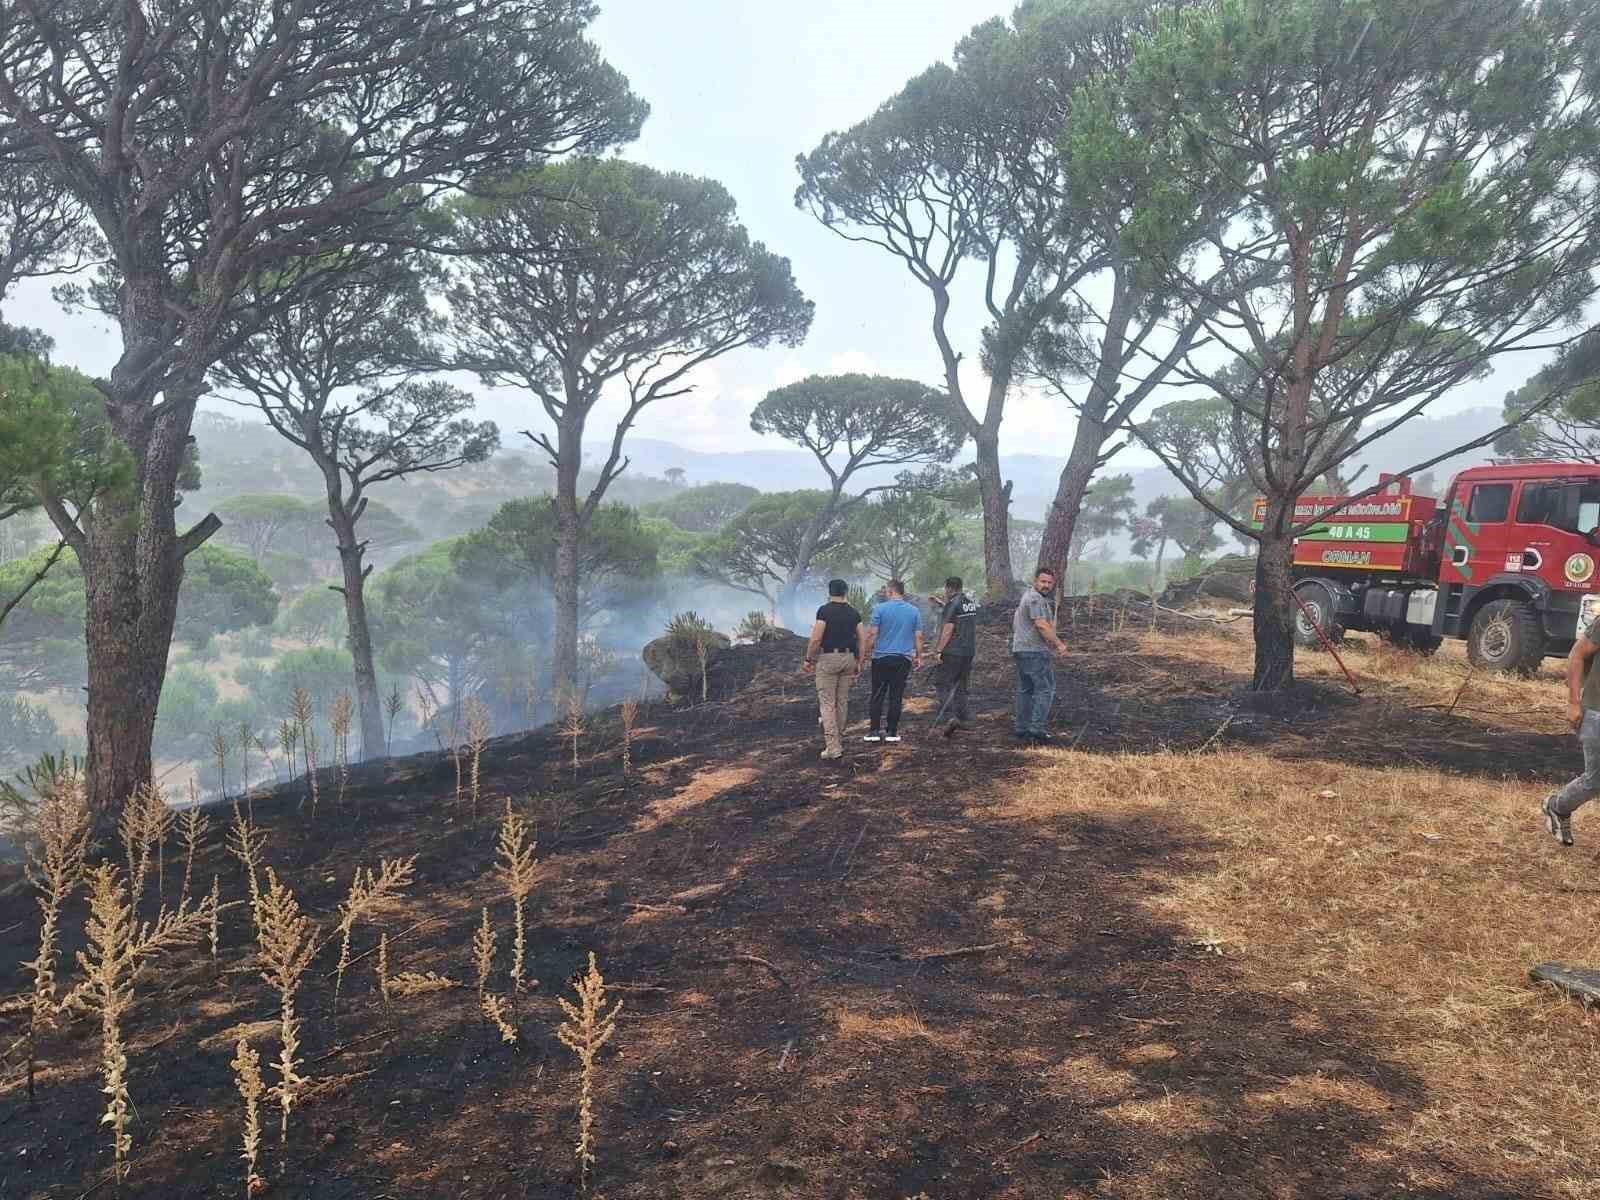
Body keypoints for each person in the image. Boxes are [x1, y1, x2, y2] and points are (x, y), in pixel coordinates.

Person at [1543, 615, 1600, 844]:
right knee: (1595, 781)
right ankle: (1557, 807)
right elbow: (1577, 654)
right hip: (1597, 712)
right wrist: (1573, 702)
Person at [801, 579, 864, 761]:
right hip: (849, 659)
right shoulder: (854, 613)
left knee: (827, 704)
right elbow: (862, 638)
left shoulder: (824, 611)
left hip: (829, 659)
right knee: (842, 702)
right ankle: (839, 742)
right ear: (846, 592)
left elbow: (815, 639)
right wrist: (860, 660)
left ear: (830, 592)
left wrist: (808, 659)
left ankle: (833, 748)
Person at [860, 578, 922, 743]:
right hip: (903, 659)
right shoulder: (914, 611)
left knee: (878, 695)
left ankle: (873, 731)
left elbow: (872, 634)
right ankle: (892, 733)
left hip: (881, 658)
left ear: (891, 591)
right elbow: (919, 636)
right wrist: (919, 656)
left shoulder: (880, 609)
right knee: (896, 695)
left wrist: (865, 654)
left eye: (887, 591)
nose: (886, 594)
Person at [1011, 566, 1068, 743]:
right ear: (1035, 581)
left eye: (1050, 583)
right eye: (1043, 581)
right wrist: (1059, 644)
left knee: (1025, 689)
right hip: (1034, 651)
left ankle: (1021, 728)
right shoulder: (1035, 599)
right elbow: (1042, 625)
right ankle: (1036, 729)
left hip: (1020, 649)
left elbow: (1016, 618)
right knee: (1045, 689)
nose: (1046, 585)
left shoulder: (1027, 596)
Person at [929, 576, 979, 738]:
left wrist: (938, 651)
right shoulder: (969, 602)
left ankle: (950, 717)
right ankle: (963, 717)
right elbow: (960, 617)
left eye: (946, 589)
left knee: (942, 682)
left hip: (953, 651)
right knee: (961, 684)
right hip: (968, 651)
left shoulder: (952, 604)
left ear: (949, 588)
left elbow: (948, 629)